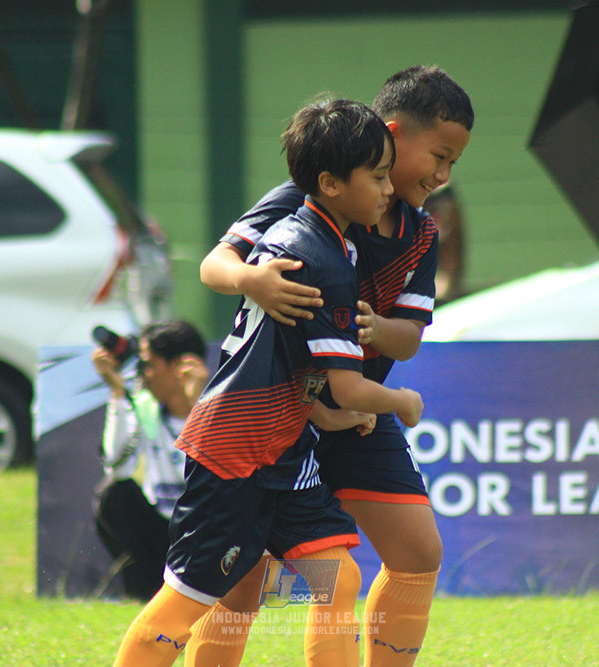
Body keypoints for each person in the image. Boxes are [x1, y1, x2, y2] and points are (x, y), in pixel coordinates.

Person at [112, 98, 423, 667]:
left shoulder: (317, 237)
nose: (389, 188)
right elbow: (350, 386)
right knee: (188, 603)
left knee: (337, 578)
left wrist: (328, 414)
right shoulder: (320, 257)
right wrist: (402, 401)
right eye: (378, 176)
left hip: (283, 454)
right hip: (235, 457)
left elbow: (293, 363)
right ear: (330, 183)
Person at [194, 65, 473, 666]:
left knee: (417, 553)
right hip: (278, 416)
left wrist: (377, 329)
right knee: (249, 579)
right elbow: (214, 265)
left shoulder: (423, 234)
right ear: (392, 135)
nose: (444, 176)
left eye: (454, 164)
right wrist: (252, 280)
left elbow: (408, 339)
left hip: (356, 412)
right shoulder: (304, 200)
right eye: (439, 157)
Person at [91, 320, 208, 600]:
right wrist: (118, 394)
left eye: (148, 365)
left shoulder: (223, 409)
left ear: (180, 366)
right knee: (115, 495)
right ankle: (145, 595)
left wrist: (198, 407)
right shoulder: (146, 409)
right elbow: (117, 468)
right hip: (163, 533)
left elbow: (224, 477)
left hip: (205, 535)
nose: (143, 374)